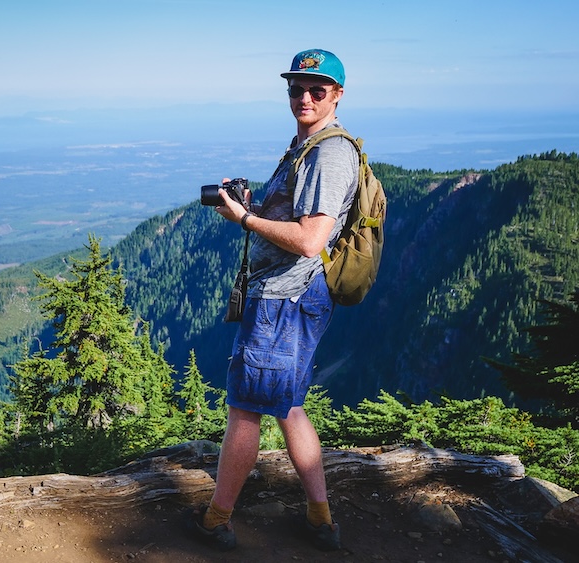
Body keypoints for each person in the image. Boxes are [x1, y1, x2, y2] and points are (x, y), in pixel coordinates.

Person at [185, 48, 358, 552]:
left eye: (317, 90)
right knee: (289, 406)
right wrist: (254, 206)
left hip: (285, 299)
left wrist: (243, 219)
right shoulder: (307, 144)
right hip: (293, 297)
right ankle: (319, 519)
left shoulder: (329, 153)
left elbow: (310, 239)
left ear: (337, 95)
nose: (304, 97)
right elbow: (297, 220)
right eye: (296, 89)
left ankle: (216, 519)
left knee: (244, 410)